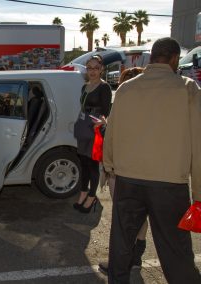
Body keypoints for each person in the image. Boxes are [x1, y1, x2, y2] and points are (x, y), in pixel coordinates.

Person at [103, 37, 201, 283]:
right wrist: (198, 194)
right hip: (169, 184)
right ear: (175, 59)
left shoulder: (126, 88)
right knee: (175, 250)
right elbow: (199, 143)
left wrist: (110, 165)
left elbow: (112, 132)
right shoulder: (187, 88)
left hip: (128, 179)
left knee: (121, 241)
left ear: (152, 58)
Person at [98, 67, 147, 275]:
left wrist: (105, 127)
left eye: (123, 82)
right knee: (141, 217)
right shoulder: (149, 109)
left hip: (123, 170)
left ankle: (120, 263)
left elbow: (117, 137)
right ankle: (135, 258)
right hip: (145, 171)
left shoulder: (125, 106)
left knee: (122, 219)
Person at [73, 55, 112, 214]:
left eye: (96, 68)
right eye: (89, 68)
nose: (92, 71)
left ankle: (91, 196)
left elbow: (106, 111)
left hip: (94, 129)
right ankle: (83, 192)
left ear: (102, 69)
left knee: (93, 165)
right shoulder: (84, 87)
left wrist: (101, 122)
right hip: (83, 127)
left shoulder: (104, 87)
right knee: (83, 163)